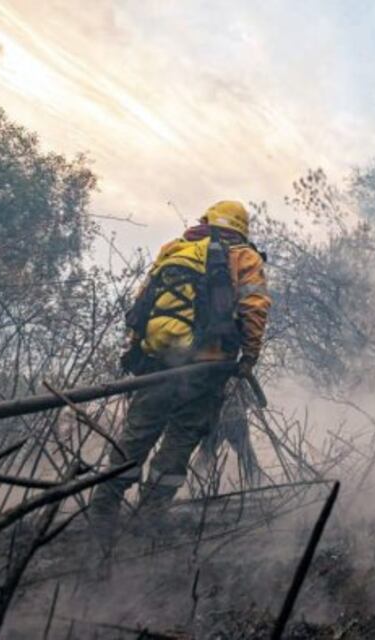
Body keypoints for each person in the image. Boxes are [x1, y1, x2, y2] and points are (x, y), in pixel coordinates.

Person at [89, 200, 271, 528]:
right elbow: (254, 309)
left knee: (136, 435)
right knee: (182, 436)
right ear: (241, 228)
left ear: (208, 220)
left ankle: (102, 512)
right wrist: (249, 357)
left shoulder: (174, 249)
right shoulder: (244, 256)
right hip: (207, 369)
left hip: (156, 363)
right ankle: (149, 517)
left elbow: (143, 302)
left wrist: (136, 352)